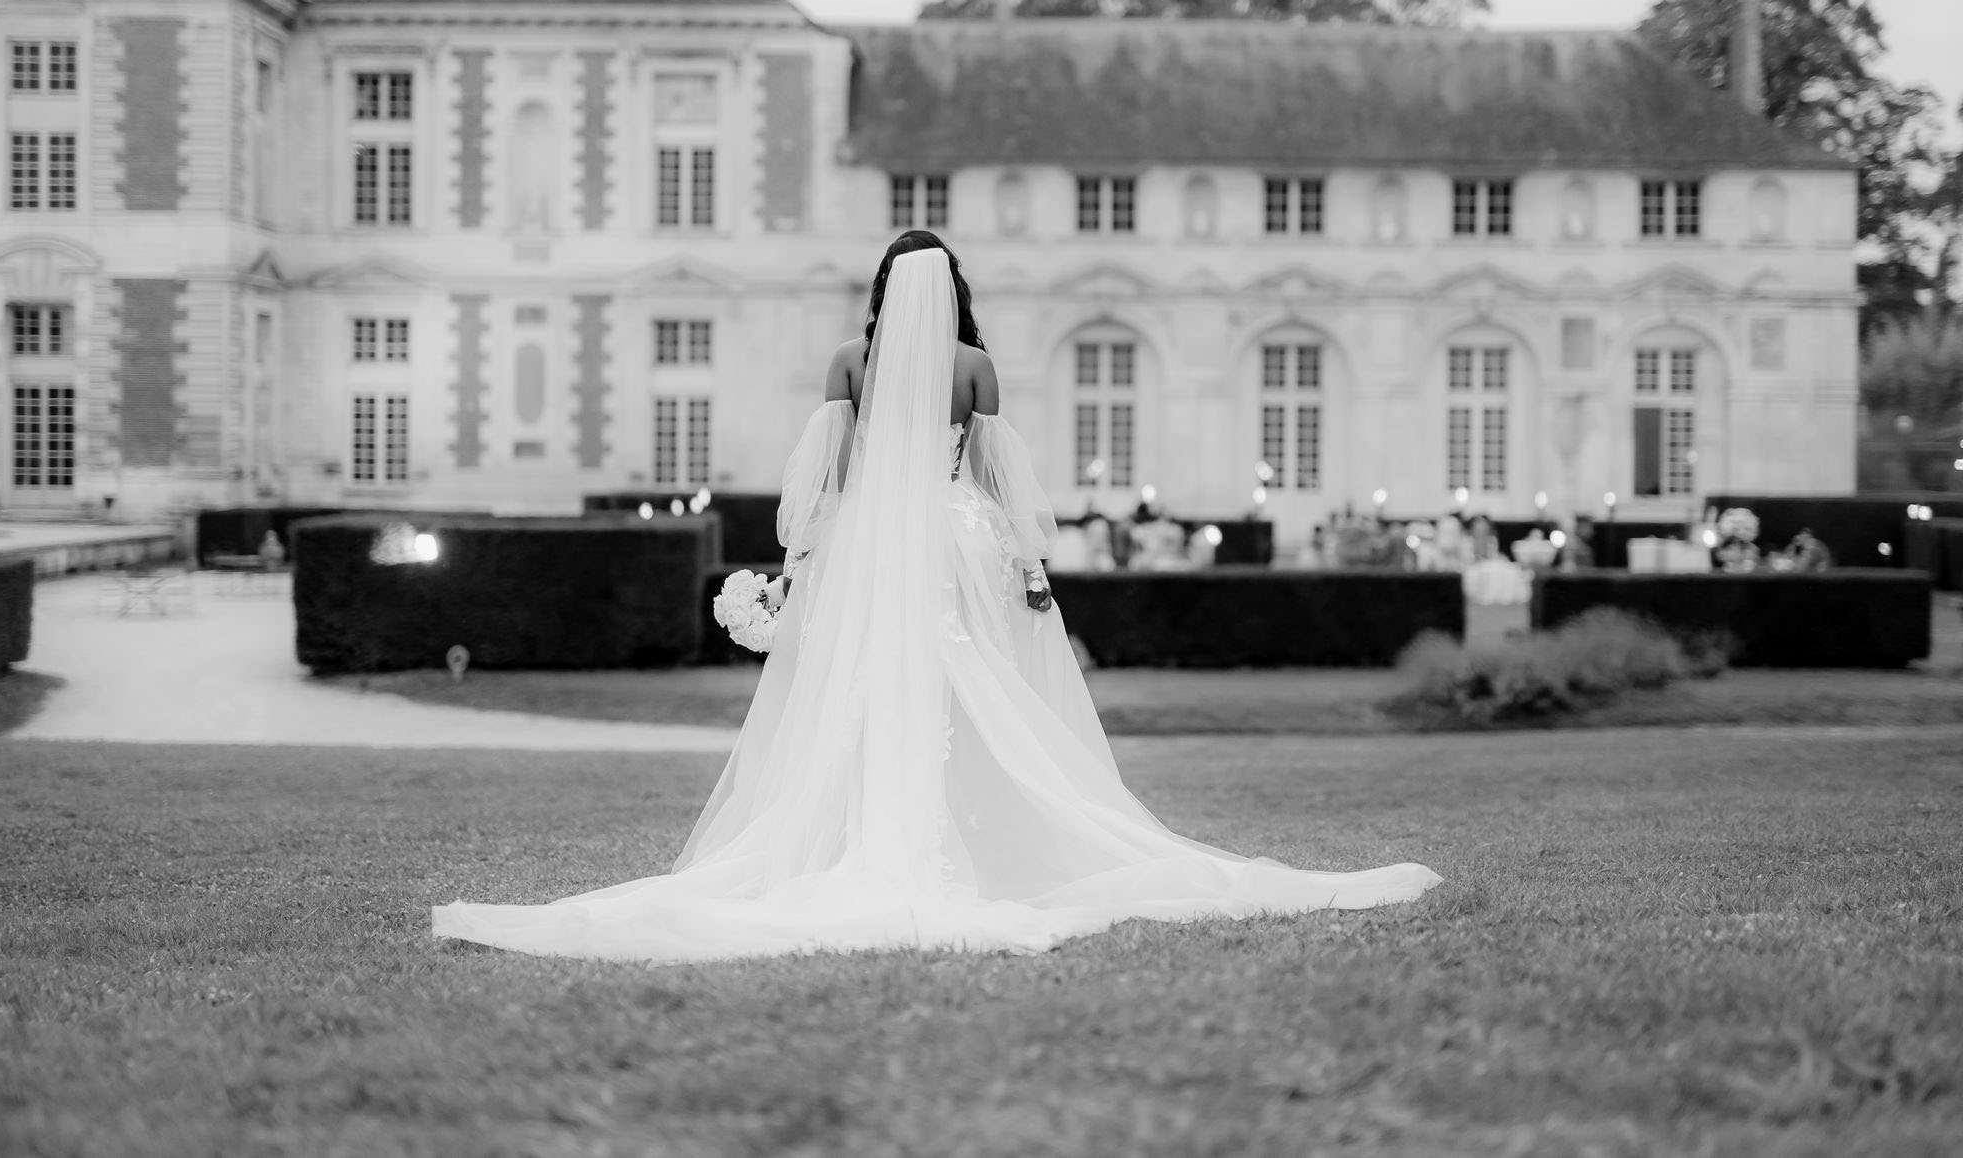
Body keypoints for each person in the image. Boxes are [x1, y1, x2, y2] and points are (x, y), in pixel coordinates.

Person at [433, 234, 1439, 963]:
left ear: (881, 290)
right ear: (951, 291)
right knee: (967, 678)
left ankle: (869, 834)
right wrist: (1031, 569)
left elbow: (820, 479)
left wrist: (798, 560)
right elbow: (1001, 483)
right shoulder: (974, 367)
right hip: (950, 537)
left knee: (861, 686)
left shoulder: (847, 361)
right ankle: (980, 834)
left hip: (876, 538)